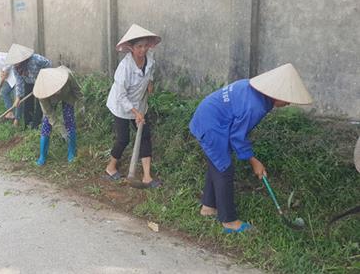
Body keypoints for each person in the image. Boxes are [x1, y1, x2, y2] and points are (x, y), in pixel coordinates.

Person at [189, 63, 313, 233]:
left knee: (216, 163)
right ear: (276, 93)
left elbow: (236, 129)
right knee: (224, 168)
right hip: (211, 126)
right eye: (287, 98)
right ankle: (229, 221)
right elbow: (237, 136)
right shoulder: (256, 105)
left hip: (207, 117)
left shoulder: (251, 88)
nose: (289, 103)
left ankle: (208, 207)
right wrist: (254, 161)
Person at [104, 24, 162, 188]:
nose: (142, 50)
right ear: (131, 47)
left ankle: (147, 177)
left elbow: (150, 71)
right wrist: (136, 113)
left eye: (145, 46)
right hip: (121, 106)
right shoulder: (124, 68)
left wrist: (150, 82)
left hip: (139, 104)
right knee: (124, 139)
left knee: (145, 135)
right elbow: (121, 96)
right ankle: (110, 167)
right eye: (138, 47)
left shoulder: (149, 58)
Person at [33, 66, 82, 166]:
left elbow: (77, 90)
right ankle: (42, 156)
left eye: (57, 88)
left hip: (68, 96)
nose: (57, 91)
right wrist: (61, 130)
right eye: (54, 90)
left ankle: (71, 153)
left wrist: (81, 103)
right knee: (46, 124)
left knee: (69, 120)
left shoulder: (67, 76)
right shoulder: (42, 94)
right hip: (50, 101)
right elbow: (49, 114)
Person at [5, 44, 52, 129]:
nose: (15, 64)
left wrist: (43, 79)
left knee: (40, 103)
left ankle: (36, 125)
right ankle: (27, 124)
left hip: (41, 81)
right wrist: (18, 98)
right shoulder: (15, 67)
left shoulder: (36, 59)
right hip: (28, 82)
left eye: (17, 61)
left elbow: (48, 64)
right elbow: (19, 82)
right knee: (27, 103)